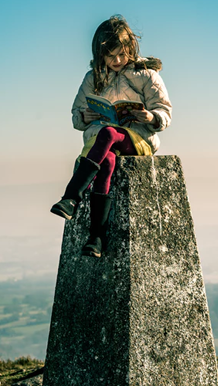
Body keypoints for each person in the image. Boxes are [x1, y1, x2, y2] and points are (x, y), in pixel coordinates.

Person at [50, 15, 172, 258]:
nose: (116, 60)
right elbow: (76, 116)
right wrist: (85, 117)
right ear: (100, 54)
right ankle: (96, 238)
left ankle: (71, 197)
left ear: (130, 49)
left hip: (138, 139)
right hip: (103, 144)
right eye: (110, 55)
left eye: (121, 54)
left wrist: (149, 117)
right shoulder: (92, 78)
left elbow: (165, 112)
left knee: (108, 133)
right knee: (106, 161)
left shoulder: (146, 75)